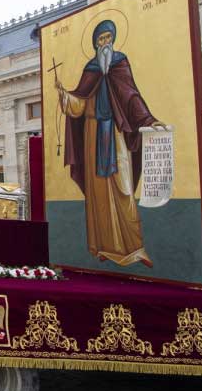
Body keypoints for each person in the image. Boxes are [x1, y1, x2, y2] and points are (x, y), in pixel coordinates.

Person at [55, 19, 167, 268]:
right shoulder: (91, 67)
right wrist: (66, 96)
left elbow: (131, 95)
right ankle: (102, 246)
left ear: (113, 39)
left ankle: (135, 248)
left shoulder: (119, 63)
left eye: (107, 38)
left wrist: (149, 120)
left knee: (123, 188)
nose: (104, 43)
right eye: (100, 39)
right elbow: (80, 103)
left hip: (115, 133)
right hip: (93, 133)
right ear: (95, 43)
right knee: (98, 195)